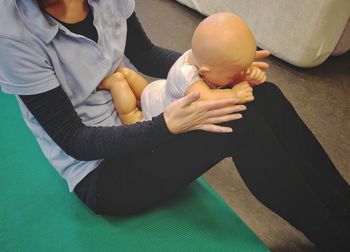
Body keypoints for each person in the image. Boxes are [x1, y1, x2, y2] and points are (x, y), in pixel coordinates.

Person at [0, 0, 349, 250]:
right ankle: (335, 236)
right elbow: (73, 140)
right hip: (102, 174)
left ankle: (343, 204)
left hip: (144, 119)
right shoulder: (11, 35)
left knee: (263, 95)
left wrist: (216, 66)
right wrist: (167, 126)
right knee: (240, 121)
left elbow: (146, 53)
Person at [99, 12, 266, 124]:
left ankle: (126, 74)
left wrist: (243, 75)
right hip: (157, 114)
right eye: (233, 74)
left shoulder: (199, 57)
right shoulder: (188, 77)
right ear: (205, 72)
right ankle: (117, 82)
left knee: (144, 94)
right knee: (132, 116)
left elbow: (220, 74)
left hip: (158, 92)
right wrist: (233, 93)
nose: (236, 77)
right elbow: (207, 97)